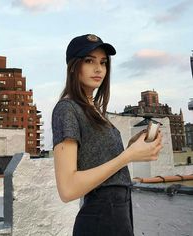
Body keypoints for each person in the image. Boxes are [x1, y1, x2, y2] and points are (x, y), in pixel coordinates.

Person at [52, 34, 162, 236]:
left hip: (120, 213)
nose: (98, 69)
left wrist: (131, 148)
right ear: (73, 66)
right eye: (89, 61)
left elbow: (102, 165)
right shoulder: (67, 109)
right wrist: (128, 157)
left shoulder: (94, 110)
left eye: (103, 62)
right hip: (100, 217)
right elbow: (67, 189)